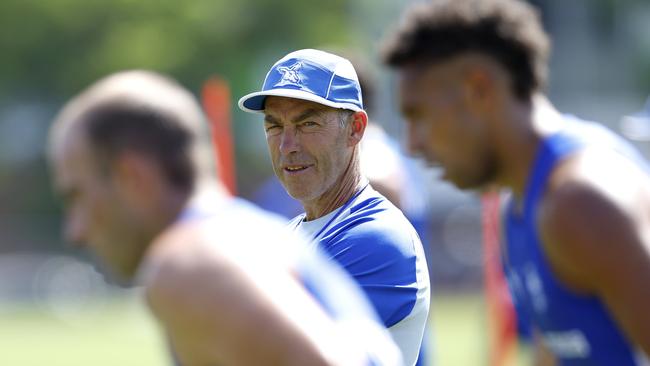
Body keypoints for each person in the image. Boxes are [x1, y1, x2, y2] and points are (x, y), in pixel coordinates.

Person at [47, 70, 403, 366]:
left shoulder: (190, 262)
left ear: (132, 177)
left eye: (76, 196)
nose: (74, 231)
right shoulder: (241, 234)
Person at [382, 0, 650, 364]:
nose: (412, 144)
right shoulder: (518, 207)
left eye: (420, 115)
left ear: (478, 89)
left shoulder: (582, 200)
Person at [238, 49, 430, 366]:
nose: (287, 146)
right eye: (274, 126)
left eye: (308, 123)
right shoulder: (295, 233)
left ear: (355, 128)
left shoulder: (375, 237)